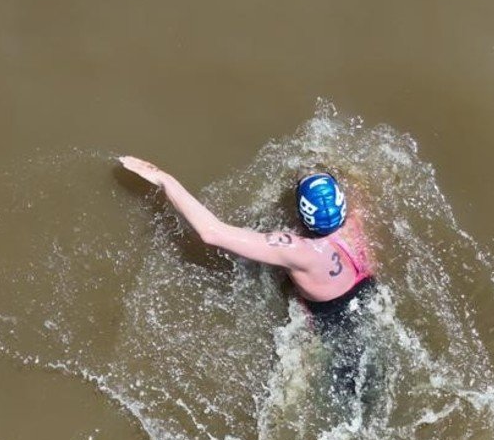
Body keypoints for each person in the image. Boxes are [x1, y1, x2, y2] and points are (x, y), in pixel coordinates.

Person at [118, 155, 378, 399]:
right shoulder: (355, 225)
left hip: (332, 334)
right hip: (370, 309)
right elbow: (357, 185)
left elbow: (212, 233)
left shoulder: (298, 251)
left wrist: (164, 179)